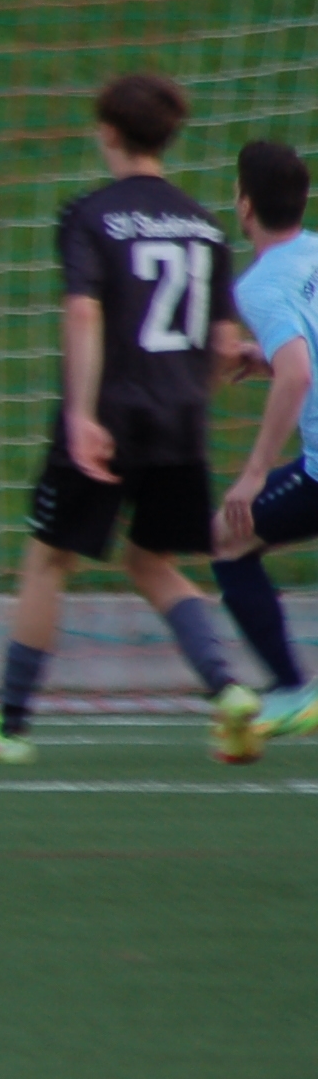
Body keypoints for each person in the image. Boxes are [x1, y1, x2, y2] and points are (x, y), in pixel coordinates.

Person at [0, 76, 264, 767]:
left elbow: (84, 311)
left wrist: (84, 415)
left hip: (111, 416)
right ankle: (231, 690)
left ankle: (10, 726)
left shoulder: (90, 214)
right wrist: (225, 368)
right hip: (179, 421)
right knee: (152, 563)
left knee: (47, 561)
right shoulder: (202, 224)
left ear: (108, 133)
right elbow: (219, 344)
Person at [210, 139, 318, 743]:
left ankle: (291, 690)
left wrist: (253, 472)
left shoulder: (260, 285)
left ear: (244, 205)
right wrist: (267, 359)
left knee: (228, 538)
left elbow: (301, 371)